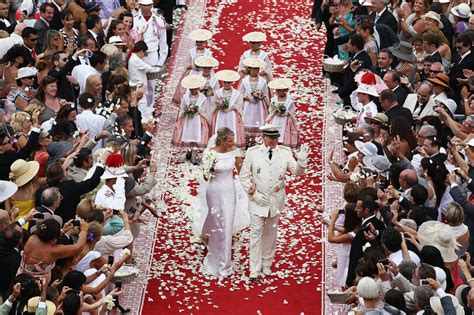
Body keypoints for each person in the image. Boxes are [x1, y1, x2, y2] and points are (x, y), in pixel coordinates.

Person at [240, 125, 309, 280]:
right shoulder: (253, 153)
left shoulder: (284, 153)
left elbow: (296, 172)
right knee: (255, 234)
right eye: (271, 138)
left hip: (275, 201)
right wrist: (254, 194)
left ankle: (266, 263)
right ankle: (254, 268)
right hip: (258, 201)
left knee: (270, 234)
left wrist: (302, 162)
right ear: (263, 137)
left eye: (276, 138)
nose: (274, 141)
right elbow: (243, 176)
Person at [197, 127, 245, 278]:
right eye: (230, 141)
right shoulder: (210, 153)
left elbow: (241, 171)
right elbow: (205, 177)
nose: (233, 143)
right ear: (222, 140)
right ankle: (213, 255)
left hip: (229, 190)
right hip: (214, 191)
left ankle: (225, 266)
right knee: (217, 224)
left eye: (233, 140)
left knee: (227, 225)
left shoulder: (235, 151)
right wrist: (208, 168)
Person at [170, 75, 210, 162]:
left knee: (196, 136)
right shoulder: (185, 97)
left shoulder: (202, 98)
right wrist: (182, 115)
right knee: (187, 135)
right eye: (191, 89)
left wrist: (197, 110)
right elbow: (182, 107)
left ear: (198, 88)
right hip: (188, 119)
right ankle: (188, 151)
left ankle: (194, 155)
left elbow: (204, 109)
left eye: (195, 89)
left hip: (198, 120)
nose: (193, 90)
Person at [211, 70, 245, 148]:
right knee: (220, 127)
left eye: (228, 82)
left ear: (232, 82)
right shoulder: (218, 92)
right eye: (225, 82)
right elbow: (214, 103)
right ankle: (219, 144)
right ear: (222, 82)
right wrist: (219, 105)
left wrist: (232, 107)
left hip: (232, 115)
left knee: (231, 128)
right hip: (221, 114)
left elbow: (240, 104)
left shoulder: (237, 93)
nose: (226, 84)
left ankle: (231, 144)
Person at [238, 58, 269, 142]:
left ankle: (258, 141)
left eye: (257, 68)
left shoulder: (263, 81)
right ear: (250, 68)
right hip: (247, 106)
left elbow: (266, 94)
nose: (255, 70)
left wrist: (261, 96)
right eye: (253, 68)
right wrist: (247, 98)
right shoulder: (244, 81)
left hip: (259, 107)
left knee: (259, 122)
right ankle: (247, 141)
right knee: (247, 122)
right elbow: (240, 94)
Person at [266, 78, 300, 148]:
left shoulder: (289, 101)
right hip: (275, 119)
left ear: (285, 90)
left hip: (285, 120)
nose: (278, 92)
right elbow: (270, 109)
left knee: (284, 133)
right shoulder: (274, 99)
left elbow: (292, 111)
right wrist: (275, 111)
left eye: (280, 90)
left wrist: (284, 113)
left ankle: (284, 144)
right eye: (277, 90)